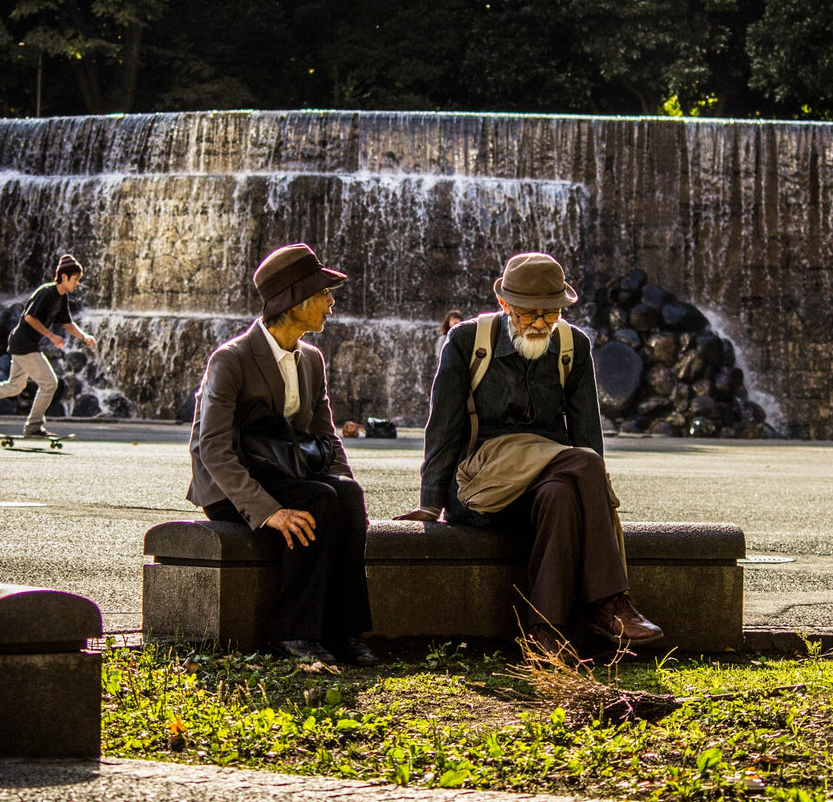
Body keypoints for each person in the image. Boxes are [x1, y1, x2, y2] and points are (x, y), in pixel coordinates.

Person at [399, 252, 662, 656]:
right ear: (505, 306)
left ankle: (544, 632)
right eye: (528, 314)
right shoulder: (468, 342)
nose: (540, 323)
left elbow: (587, 430)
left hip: (546, 480)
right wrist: (430, 504)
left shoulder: (574, 346)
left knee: (562, 492)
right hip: (480, 485)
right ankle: (609, 603)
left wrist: (592, 501)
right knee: (584, 462)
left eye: (549, 314)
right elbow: (443, 427)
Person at [187, 243, 376, 667]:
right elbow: (210, 447)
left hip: (285, 471)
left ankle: (344, 632)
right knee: (318, 500)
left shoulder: (311, 359)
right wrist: (267, 511)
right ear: (295, 302)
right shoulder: (231, 359)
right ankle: (291, 632)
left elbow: (326, 437)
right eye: (324, 294)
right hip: (231, 486)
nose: (331, 303)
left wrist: (350, 489)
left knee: (344, 496)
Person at [0, 254, 96, 437]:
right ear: (64, 277)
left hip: (24, 344)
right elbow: (29, 317)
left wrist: (85, 337)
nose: (77, 283)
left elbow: (68, 324)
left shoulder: (61, 298)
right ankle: (34, 427)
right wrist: (51, 336)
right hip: (24, 344)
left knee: (13, 387)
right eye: (75, 279)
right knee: (50, 383)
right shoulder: (46, 292)